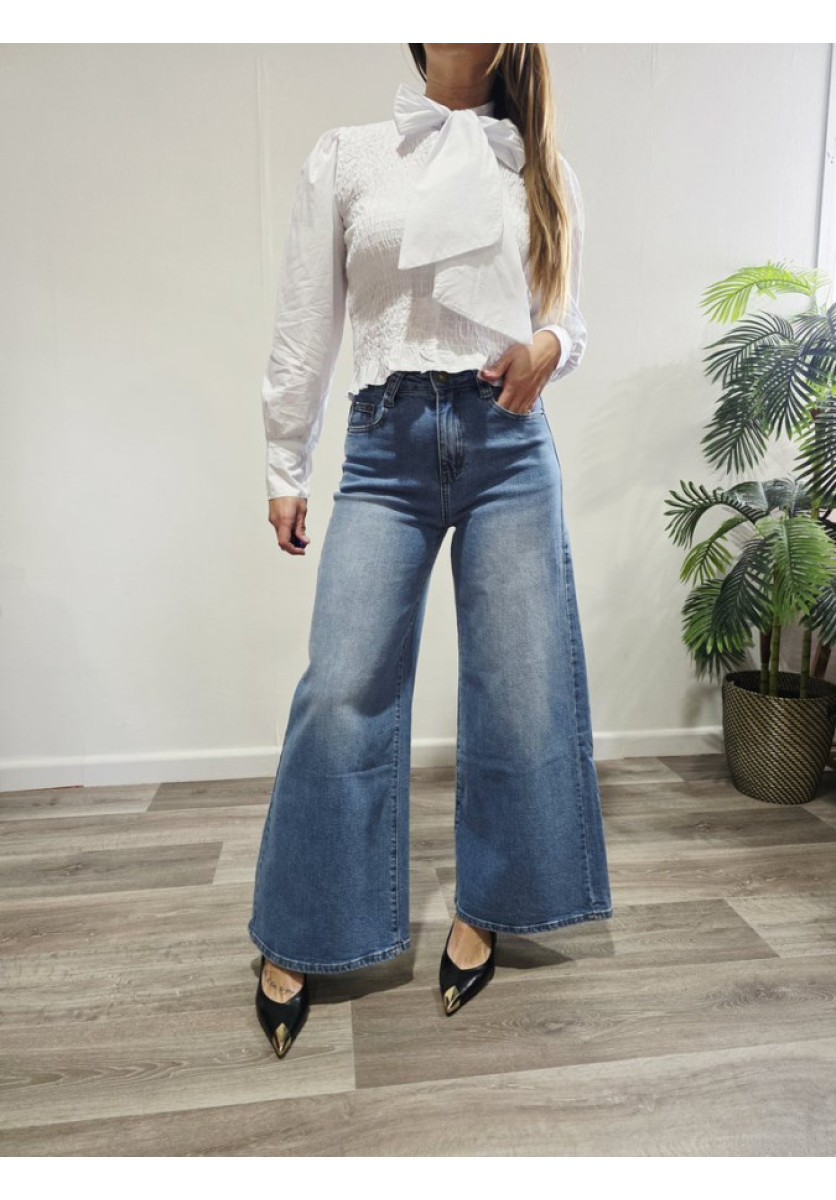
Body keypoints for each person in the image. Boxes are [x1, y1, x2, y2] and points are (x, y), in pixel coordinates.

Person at [248, 43, 614, 1060]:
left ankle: (490, 906)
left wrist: (550, 348)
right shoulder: (349, 155)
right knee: (341, 688)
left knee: (519, 686)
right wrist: (285, 461)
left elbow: (566, 320)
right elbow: (305, 318)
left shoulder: (541, 167)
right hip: (385, 445)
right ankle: (307, 923)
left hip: (508, 446)